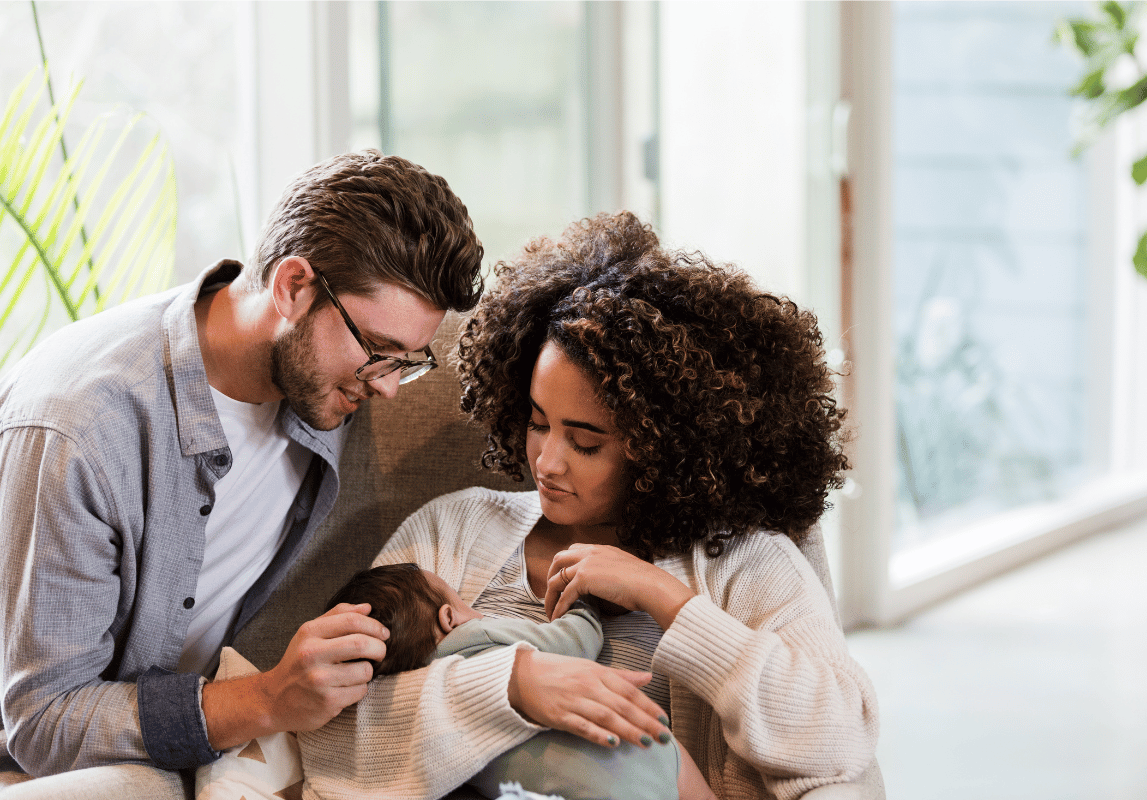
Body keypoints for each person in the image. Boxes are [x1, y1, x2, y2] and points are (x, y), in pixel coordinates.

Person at [298, 211, 880, 800]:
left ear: (664, 448)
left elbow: (840, 743)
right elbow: (331, 727)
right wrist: (513, 686)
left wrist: (666, 599)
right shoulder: (454, 530)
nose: (546, 462)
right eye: (536, 422)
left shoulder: (743, 562)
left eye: (585, 442)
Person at [0, 150, 486, 787]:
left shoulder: (325, 383)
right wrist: (267, 699)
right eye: (379, 353)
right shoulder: (81, 428)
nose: (390, 388)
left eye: (409, 361)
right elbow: (43, 723)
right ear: (291, 287)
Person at [319, 563, 717, 800]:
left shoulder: (416, 713)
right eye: (460, 599)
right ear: (448, 618)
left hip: (556, 789)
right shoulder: (482, 637)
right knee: (670, 750)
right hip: (635, 751)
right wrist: (582, 603)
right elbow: (575, 643)